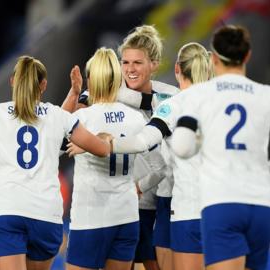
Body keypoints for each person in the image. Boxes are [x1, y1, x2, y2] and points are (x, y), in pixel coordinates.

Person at [0, 55, 111, 270]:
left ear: (12, 80)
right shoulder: (57, 115)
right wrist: (107, 137)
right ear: (43, 85)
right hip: (45, 215)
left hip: (7, 211)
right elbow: (99, 148)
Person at [170, 25, 270, 270]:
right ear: (247, 55)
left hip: (222, 201)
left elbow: (180, 146)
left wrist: (202, 144)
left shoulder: (199, 94)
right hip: (263, 203)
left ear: (212, 58)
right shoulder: (269, 94)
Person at [62, 25, 179, 270]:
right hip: (130, 207)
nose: (130, 69)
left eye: (137, 62)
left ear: (154, 64)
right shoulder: (123, 102)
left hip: (161, 201)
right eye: (125, 62)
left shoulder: (169, 96)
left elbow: (60, 135)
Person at [110, 42, 212, 270]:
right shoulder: (221, 106)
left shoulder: (173, 105)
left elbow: (144, 140)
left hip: (180, 203)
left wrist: (108, 143)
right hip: (221, 205)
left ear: (177, 69)